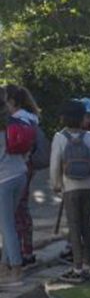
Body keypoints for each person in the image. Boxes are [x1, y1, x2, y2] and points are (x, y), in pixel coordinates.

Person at [50, 100, 90, 283]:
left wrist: (56, 184)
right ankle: (88, 264)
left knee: (74, 227)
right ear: (82, 118)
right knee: (86, 225)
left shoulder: (59, 137)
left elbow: (55, 164)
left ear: (63, 118)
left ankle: (77, 268)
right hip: (88, 187)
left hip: (70, 188)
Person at [6, 85, 41, 267]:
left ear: (12, 102)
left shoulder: (17, 120)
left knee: (14, 212)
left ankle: (17, 254)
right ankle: (27, 250)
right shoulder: (31, 118)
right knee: (22, 209)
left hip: (17, 168)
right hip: (28, 166)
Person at [0, 87, 27, 286]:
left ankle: (16, 270)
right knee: (7, 224)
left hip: (4, 180)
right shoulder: (12, 122)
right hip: (20, 174)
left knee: (7, 226)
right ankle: (4, 266)